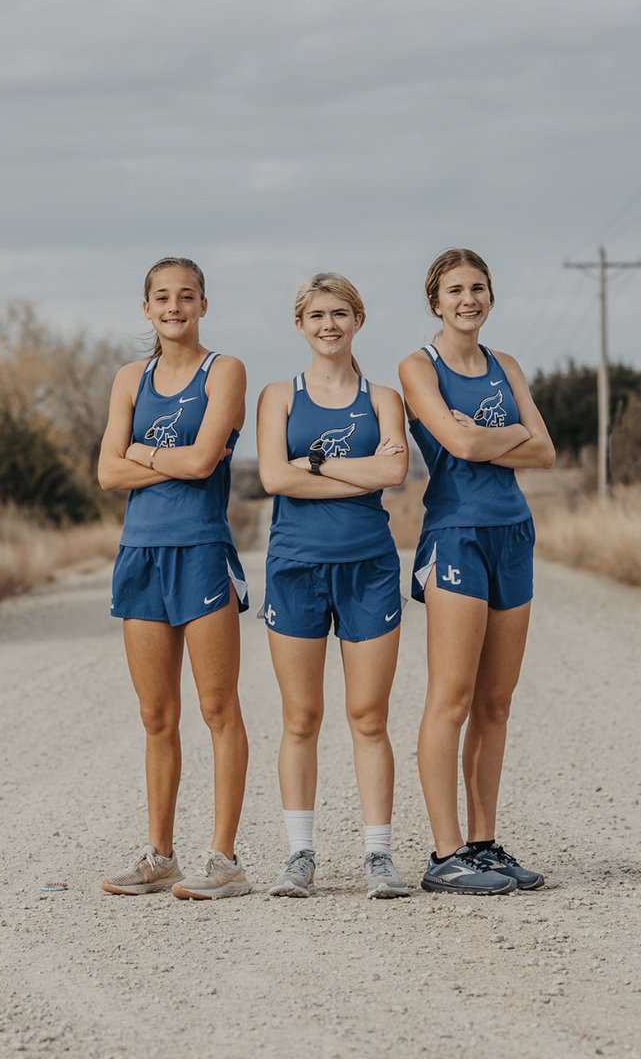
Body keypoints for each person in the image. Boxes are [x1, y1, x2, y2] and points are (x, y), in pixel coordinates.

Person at [399, 248, 555, 895]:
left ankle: (485, 845)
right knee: (452, 698)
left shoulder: (505, 366)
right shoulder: (418, 367)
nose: (469, 299)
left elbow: (545, 450)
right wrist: (506, 438)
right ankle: (445, 854)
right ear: (435, 301)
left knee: (496, 702)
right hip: (455, 535)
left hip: (512, 534)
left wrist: (494, 438)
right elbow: (457, 446)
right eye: (456, 289)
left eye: (479, 288)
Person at [97, 257, 252, 900]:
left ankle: (224, 861)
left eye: (186, 296)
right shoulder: (130, 378)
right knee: (156, 714)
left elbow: (203, 461)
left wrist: (143, 453)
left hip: (201, 550)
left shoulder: (227, 371)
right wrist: (176, 460)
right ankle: (160, 856)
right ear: (146, 307)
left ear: (203, 305)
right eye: (162, 297)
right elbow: (107, 474)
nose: (174, 307)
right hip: (142, 554)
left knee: (218, 708)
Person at [257, 272, 411, 899]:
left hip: (368, 565)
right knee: (302, 717)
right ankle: (301, 855)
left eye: (340, 313)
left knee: (368, 717)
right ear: (300, 325)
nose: (329, 324)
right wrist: (360, 475)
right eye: (317, 314)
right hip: (295, 565)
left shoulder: (383, 399)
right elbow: (273, 478)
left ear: (359, 320)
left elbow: (396, 471)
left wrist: (315, 464)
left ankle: (379, 856)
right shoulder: (278, 397)